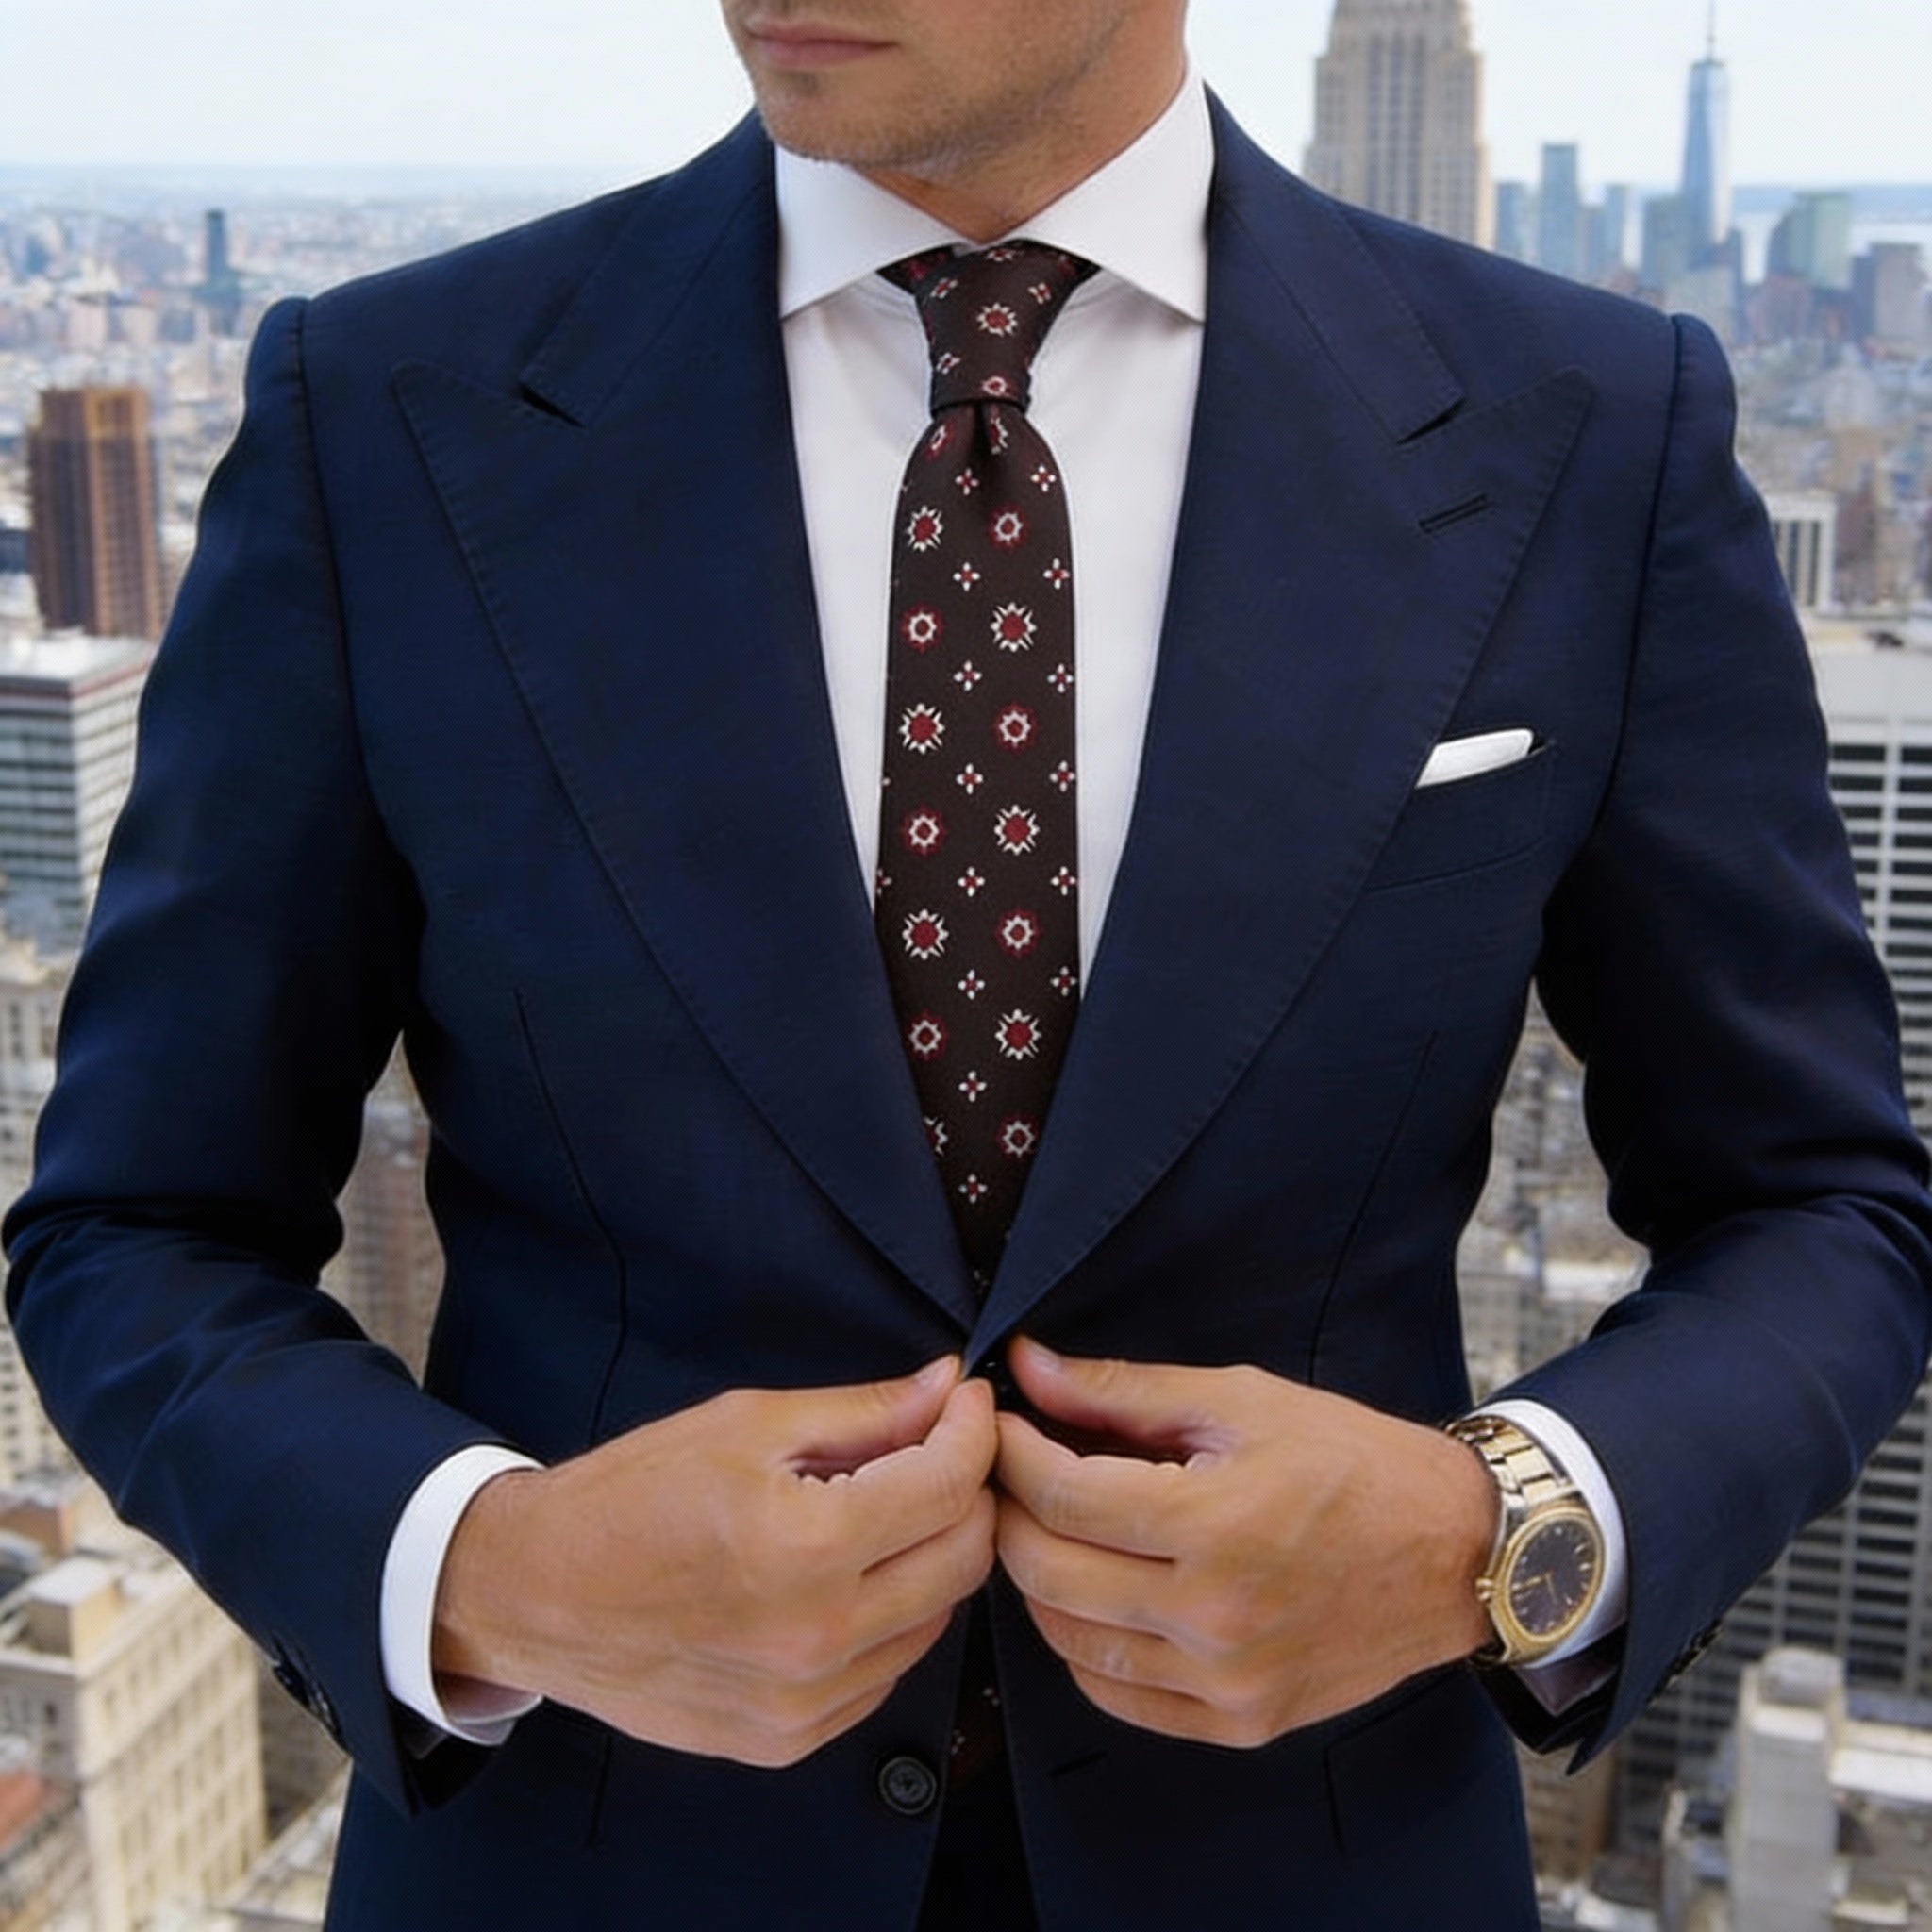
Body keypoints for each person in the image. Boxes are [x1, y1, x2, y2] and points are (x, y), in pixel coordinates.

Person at [6, 3, 1929, 1927]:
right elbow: (138, 1222)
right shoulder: (388, 407)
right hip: (581, 1856)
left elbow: (1818, 1203)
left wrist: (1490, 1530)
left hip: (1312, 1861)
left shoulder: (1588, 426)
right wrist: (490, 1570)